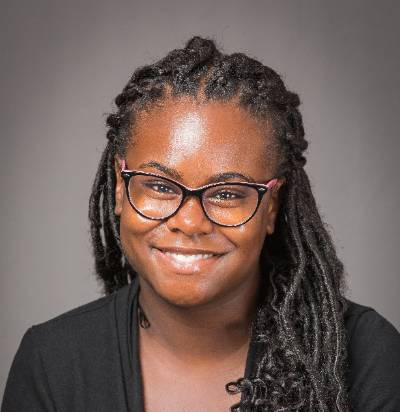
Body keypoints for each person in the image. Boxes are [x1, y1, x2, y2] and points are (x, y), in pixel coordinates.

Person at [2, 36, 400, 412]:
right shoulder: (51, 363)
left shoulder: (366, 356)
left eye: (227, 193)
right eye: (160, 186)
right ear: (121, 189)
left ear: (272, 207)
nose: (189, 222)